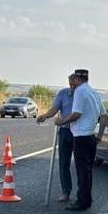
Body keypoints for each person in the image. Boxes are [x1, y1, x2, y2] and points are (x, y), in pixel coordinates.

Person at [55, 69, 105, 211]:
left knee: (82, 171)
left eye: (73, 82)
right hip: (91, 137)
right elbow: (104, 115)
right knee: (87, 171)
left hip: (81, 137)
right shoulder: (94, 92)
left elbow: (76, 114)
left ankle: (82, 201)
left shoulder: (80, 91)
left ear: (77, 79)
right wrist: (100, 134)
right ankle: (86, 199)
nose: (72, 86)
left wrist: (62, 121)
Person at [37, 74, 79, 202]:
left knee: (81, 164)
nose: (72, 87)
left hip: (79, 133)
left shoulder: (83, 95)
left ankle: (83, 194)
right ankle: (66, 192)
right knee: (63, 163)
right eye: (70, 84)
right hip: (65, 131)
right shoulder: (63, 93)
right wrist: (45, 116)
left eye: (75, 85)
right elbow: (55, 109)